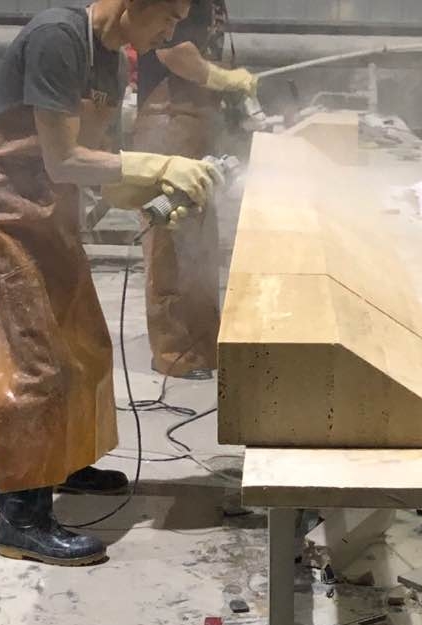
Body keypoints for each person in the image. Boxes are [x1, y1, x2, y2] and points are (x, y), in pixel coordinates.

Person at [0, 0, 221, 566]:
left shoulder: (112, 60)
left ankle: (65, 462)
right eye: (169, 16)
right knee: (35, 368)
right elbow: (61, 159)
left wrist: (152, 197)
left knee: (86, 348)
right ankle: (22, 519)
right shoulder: (59, 37)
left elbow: (99, 164)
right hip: (7, 218)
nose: (172, 31)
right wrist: (159, 166)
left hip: (53, 217)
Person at [133, 0, 257, 378]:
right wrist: (224, 79)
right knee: (167, 243)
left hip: (198, 128)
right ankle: (172, 350)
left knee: (201, 245)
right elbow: (174, 54)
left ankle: (204, 342)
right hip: (166, 126)